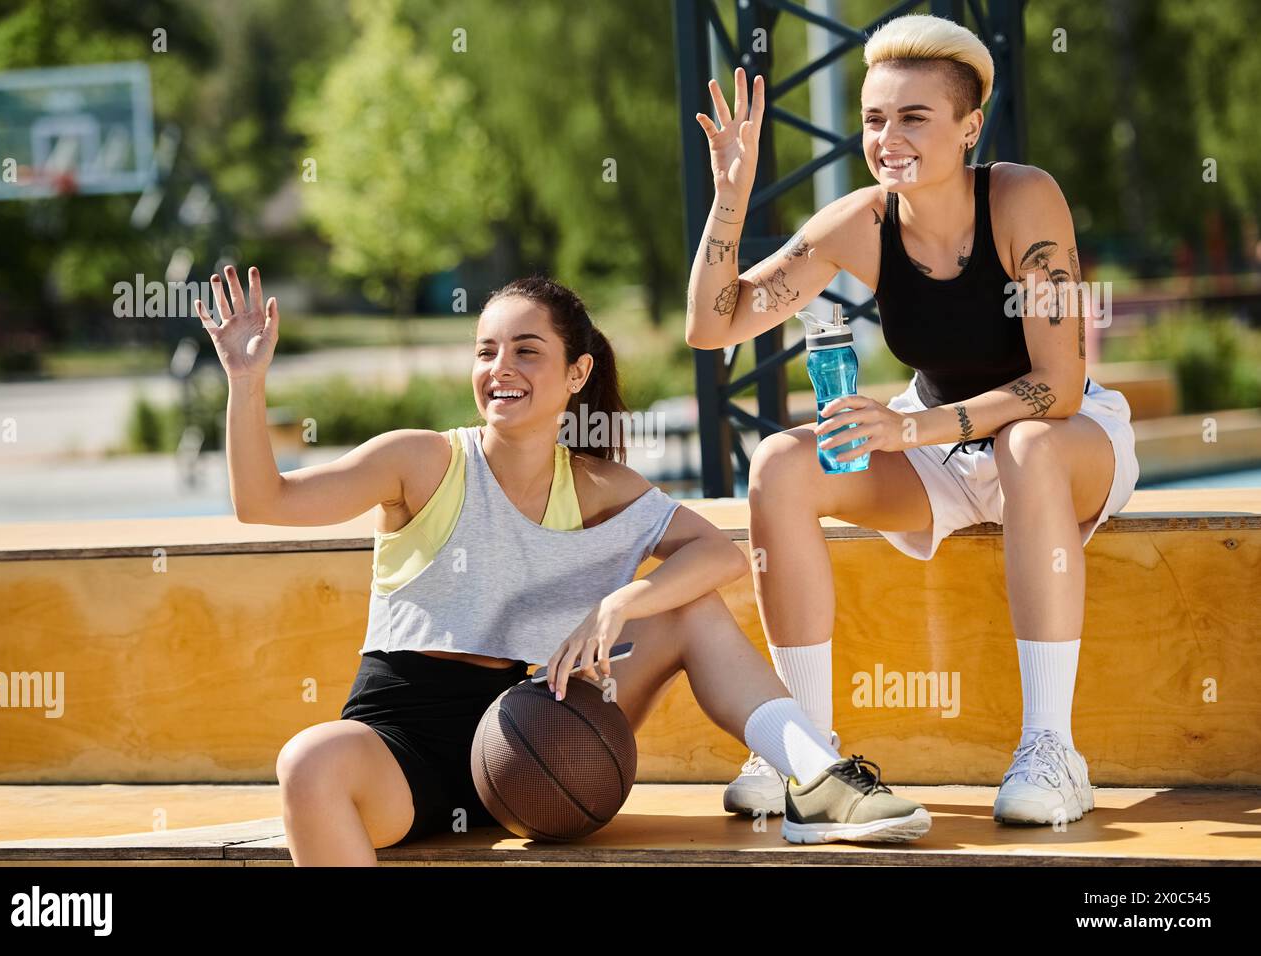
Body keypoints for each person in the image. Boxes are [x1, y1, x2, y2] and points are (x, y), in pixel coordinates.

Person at [196, 267, 932, 864]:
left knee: (685, 606)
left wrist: (620, 606)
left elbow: (719, 554)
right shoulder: (420, 461)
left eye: (526, 350)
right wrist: (246, 382)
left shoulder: (601, 489)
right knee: (309, 760)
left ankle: (816, 778)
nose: (500, 368)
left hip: (541, 742)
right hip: (402, 743)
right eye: (486, 351)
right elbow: (264, 502)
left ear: (576, 373)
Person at [685, 13, 1138, 826]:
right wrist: (730, 201)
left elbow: (1059, 386)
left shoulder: (1024, 197)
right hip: (940, 448)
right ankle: (808, 754)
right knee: (781, 466)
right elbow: (713, 326)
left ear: (969, 127)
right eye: (873, 118)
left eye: (913, 117)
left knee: (1027, 444)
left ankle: (1052, 752)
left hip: (1061, 444)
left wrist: (910, 433)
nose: (887, 137)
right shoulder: (859, 223)